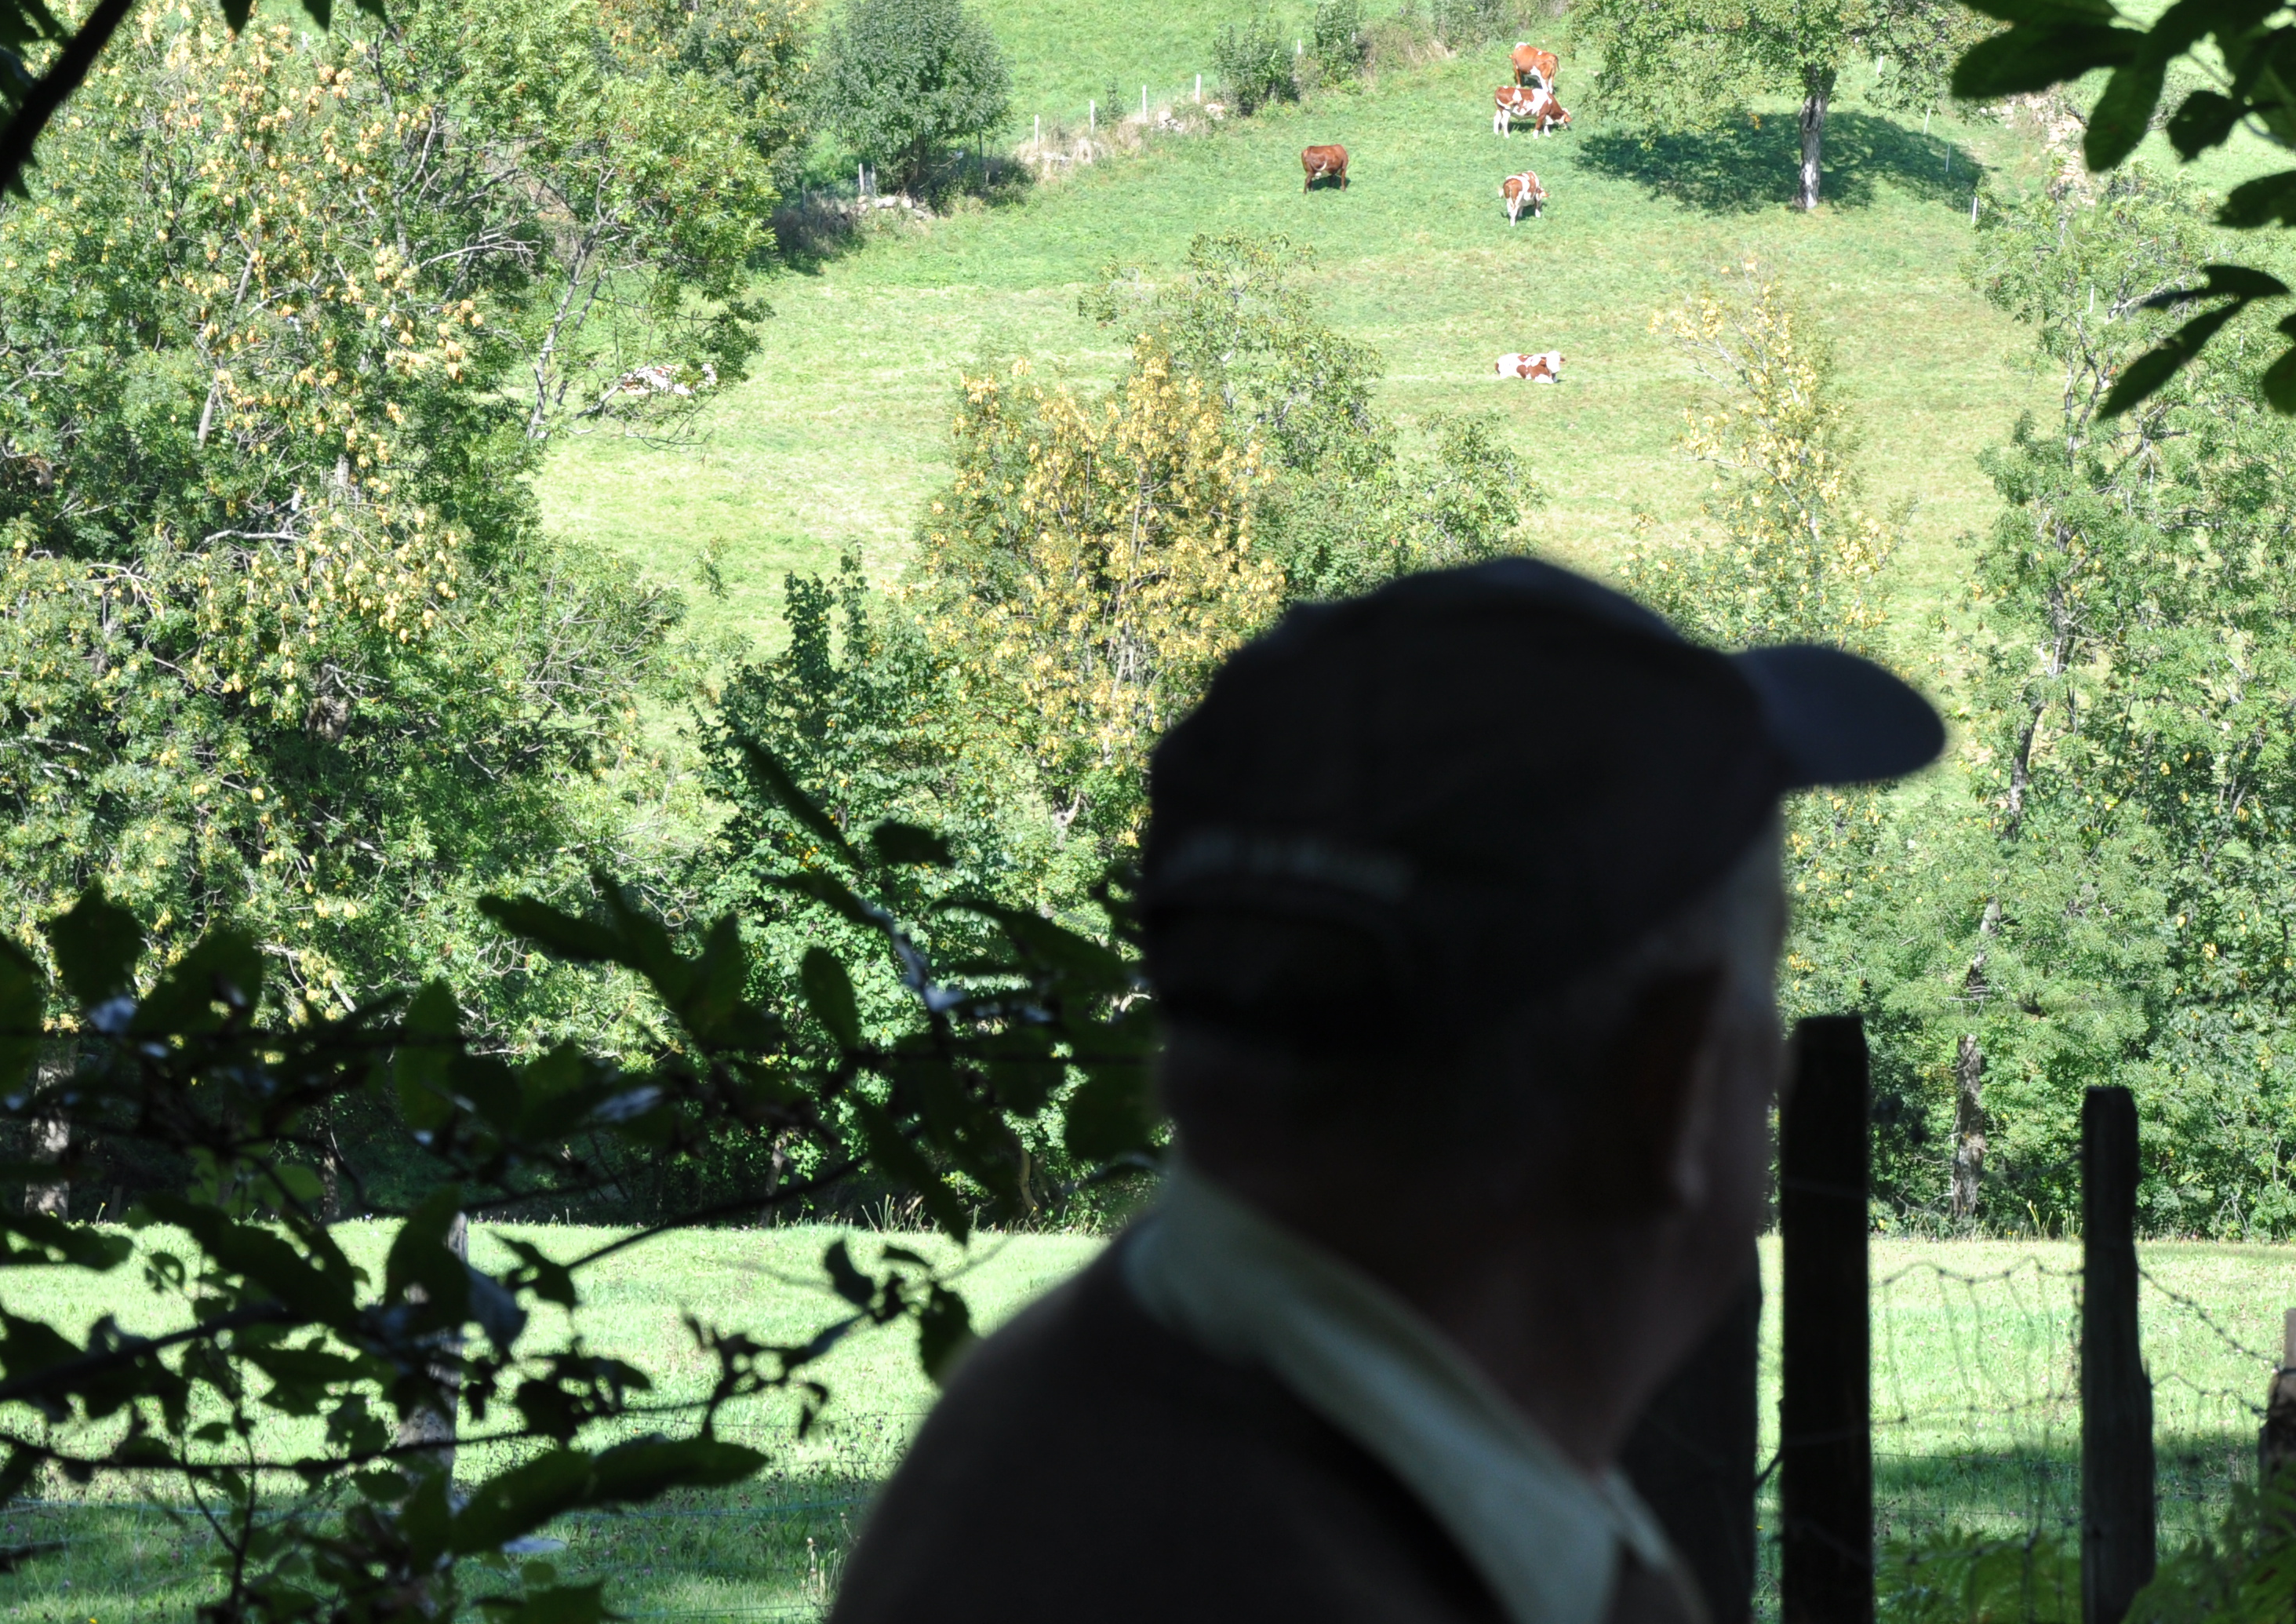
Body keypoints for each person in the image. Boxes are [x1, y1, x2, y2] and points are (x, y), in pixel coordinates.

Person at [827, 557, 1942, 1624]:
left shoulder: (1094, 1405)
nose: (1782, 1064)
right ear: (1680, 1084)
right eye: (1771, 977)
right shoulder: (1317, 1565)